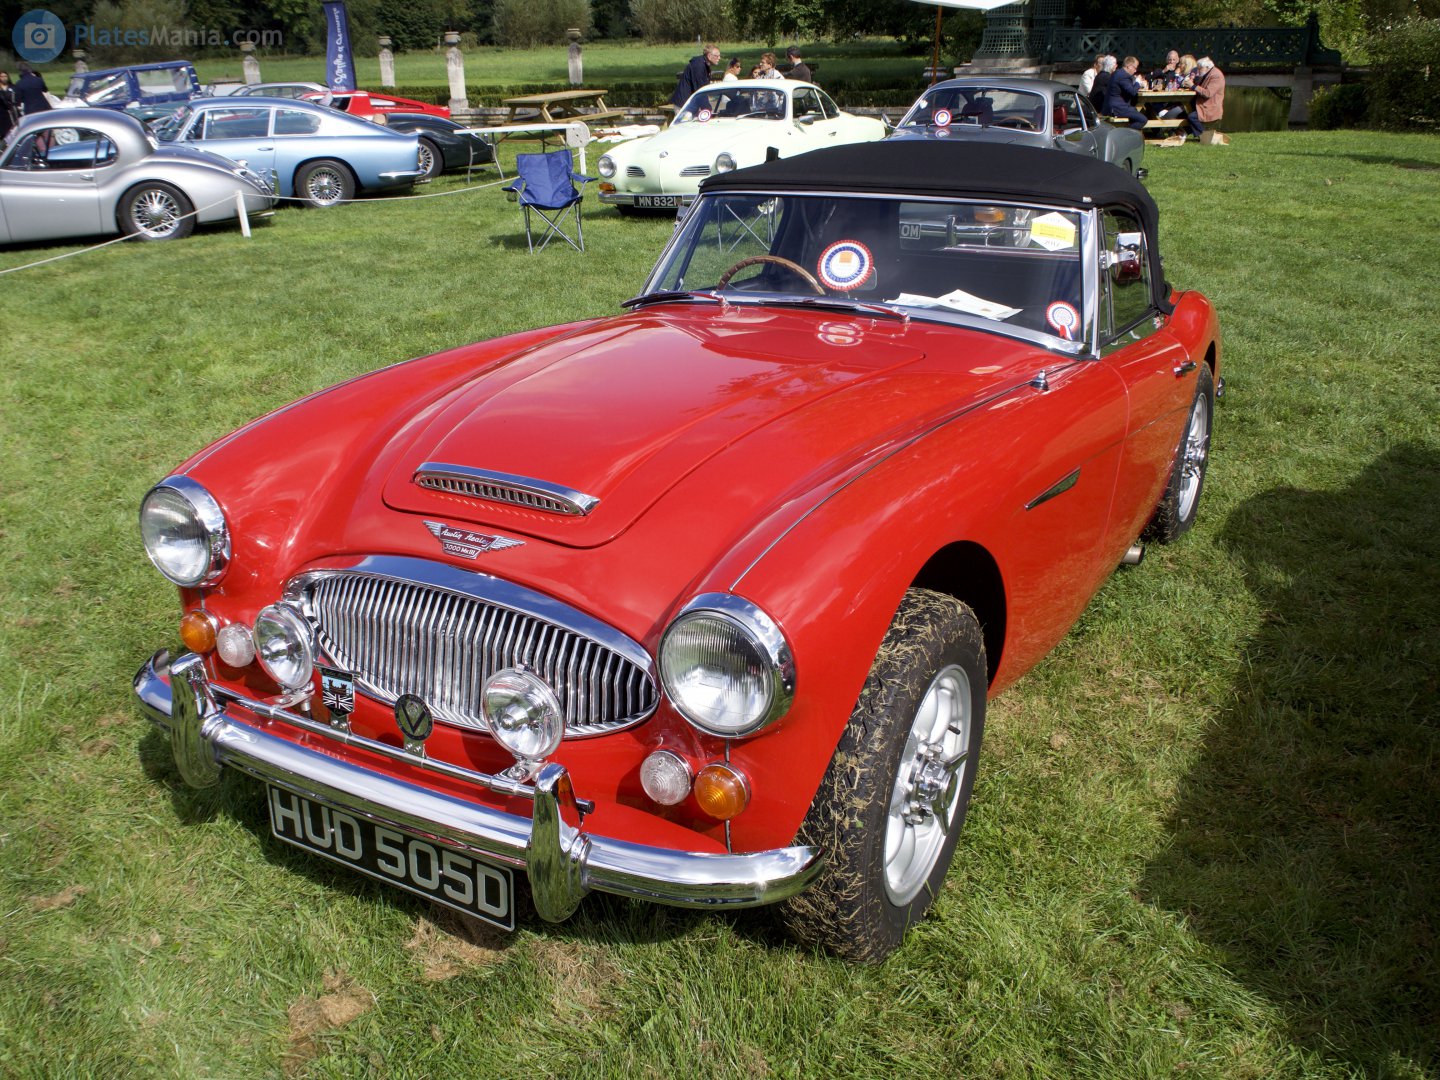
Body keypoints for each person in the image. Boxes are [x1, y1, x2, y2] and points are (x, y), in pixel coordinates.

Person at [1104, 55, 1148, 129]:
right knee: (1143, 120)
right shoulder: (1123, 76)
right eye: (1135, 68)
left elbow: (1127, 88)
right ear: (1129, 66)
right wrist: (1138, 82)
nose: (1135, 70)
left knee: (1135, 112)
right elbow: (1132, 92)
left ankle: (1129, 133)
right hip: (1116, 108)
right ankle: (1124, 133)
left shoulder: (1118, 73)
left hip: (1113, 106)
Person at [1186, 56, 1226, 138]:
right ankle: (1182, 132)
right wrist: (1193, 81)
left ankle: (1204, 136)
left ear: (1207, 67)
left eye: (1200, 68)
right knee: (1183, 111)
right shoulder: (1207, 73)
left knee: (1192, 117)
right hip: (1201, 104)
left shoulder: (1216, 75)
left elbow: (1208, 93)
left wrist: (1193, 86)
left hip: (1210, 107)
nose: (1198, 71)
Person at [672, 44, 720, 109]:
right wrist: (707, 108)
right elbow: (700, 90)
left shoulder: (704, 65)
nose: (719, 58)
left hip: (690, 103)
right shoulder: (698, 66)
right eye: (717, 56)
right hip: (684, 105)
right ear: (709, 56)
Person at [0, 71, 19, 142]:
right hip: (2, 113)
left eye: (5, 76)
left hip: (12, 111)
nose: (4, 78)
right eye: (2, 76)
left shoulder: (13, 87)